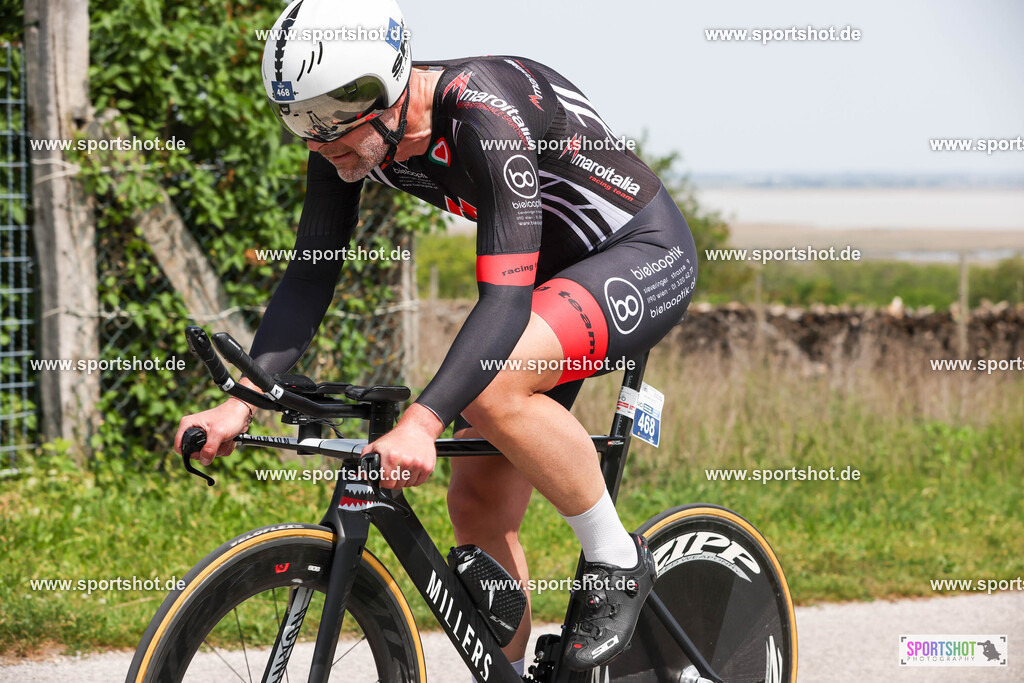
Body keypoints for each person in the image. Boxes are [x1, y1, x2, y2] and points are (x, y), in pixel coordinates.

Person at [174, 0, 697, 672]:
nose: (317, 146)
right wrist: (242, 399)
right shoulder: (347, 134)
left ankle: (617, 559)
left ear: (386, 95)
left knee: (493, 388)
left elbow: (503, 304)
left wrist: (423, 420)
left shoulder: (481, 112)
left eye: (328, 128)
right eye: (298, 122)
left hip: (639, 252)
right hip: (554, 279)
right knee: (475, 503)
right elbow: (310, 277)